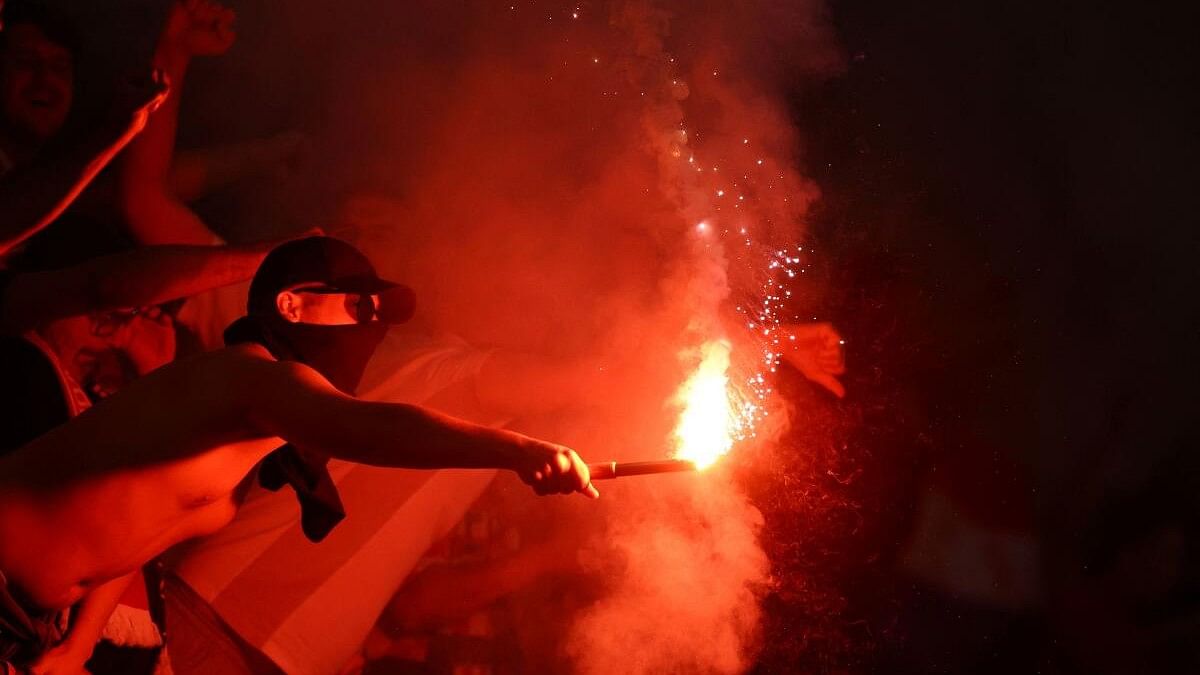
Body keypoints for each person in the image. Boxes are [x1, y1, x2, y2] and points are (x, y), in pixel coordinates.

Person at [0, 236, 597, 673]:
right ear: (292, 306)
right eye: (360, 310)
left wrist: (75, 645)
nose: (372, 333)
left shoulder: (263, 426)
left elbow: (134, 532)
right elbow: (361, 426)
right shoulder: (250, 376)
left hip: (28, 619)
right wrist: (518, 450)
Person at [0, 0, 166, 257]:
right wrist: (118, 129)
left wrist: (177, 44)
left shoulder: (57, 181)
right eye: (24, 62)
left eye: (59, 67)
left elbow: (145, 192)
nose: (45, 79)